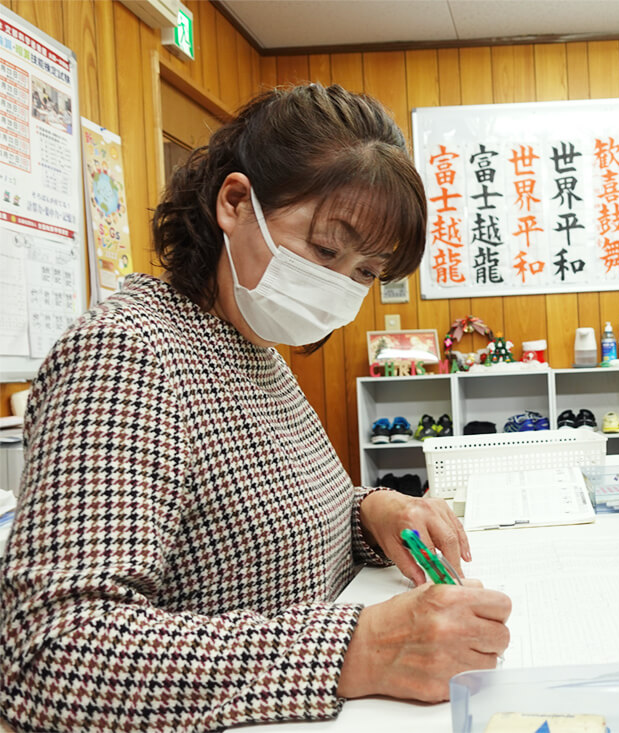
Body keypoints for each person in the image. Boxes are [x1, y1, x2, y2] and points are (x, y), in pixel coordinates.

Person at [0, 84, 511, 732]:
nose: (338, 284)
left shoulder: (256, 349)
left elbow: (275, 518)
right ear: (236, 202)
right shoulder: (128, 352)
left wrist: (374, 510)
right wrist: (358, 648)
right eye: (327, 249)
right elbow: (50, 652)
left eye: (364, 272)